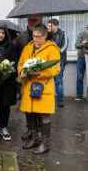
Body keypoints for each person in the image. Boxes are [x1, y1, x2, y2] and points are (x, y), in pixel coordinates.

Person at [18, 24, 60, 155]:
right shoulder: (28, 47)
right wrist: (22, 72)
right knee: (29, 113)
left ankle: (45, 144)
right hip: (29, 86)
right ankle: (35, 139)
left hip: (43, 88)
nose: (35, 39)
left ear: (45, 36)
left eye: (38, 37)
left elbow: (56, 69)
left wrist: (40, 73)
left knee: (44, 115)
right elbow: (20, 63)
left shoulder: (52, 49)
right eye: (33, 36)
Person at [16, 14, 43, 141]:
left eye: (34, 20)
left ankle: (40, 131)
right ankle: (30, 129)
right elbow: (17, 57)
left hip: (41, 79)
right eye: (29, 20)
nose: (31, 22)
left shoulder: (47, 36)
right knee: (28, 107)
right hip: (26, 79)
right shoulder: (21, 36)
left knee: (40, 107)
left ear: (40, 20)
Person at [0, 24, 17, 141]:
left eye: (3, 33)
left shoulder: (11, 46)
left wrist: (8, 73)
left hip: (7, 81)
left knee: (5, 105)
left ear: (5, 34)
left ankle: (3, 126)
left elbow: (15, 62)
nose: (0, 35)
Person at [47, 19, 68, 107]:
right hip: (48, 61)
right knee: (48, 81)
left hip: (60, 61)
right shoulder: (47, 34)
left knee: (58, 81)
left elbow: (65, 46)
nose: (48, 27)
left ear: (56, 26)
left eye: (50, 26)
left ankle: (60, 100)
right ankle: (49, 98)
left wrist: (56, 49)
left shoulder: (63, 33)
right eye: (48, 25)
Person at [74, 24, 88, 101]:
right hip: (81, 57)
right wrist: (82, 44)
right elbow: (76, 45)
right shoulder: (82, 34)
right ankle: (79, 96)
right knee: (79, 77)